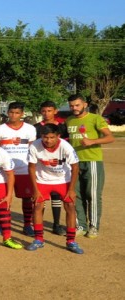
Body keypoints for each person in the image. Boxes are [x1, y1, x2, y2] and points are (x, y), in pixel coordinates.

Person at [26, 124, 83, 254]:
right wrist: (35, 190)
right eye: (45, 137)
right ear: (41, 136)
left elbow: (75, 167)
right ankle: (38, 239)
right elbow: (31, 168)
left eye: (52, 137)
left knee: (70, 206)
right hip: (42, 180)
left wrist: (72, 189)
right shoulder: (35, 145)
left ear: (58, 136)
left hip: (63, 180)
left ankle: (71, 241)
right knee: (37, 206)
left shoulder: (65, 146)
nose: (48, 140)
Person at [66, 94, 114, 238]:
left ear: (84, 104)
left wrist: (92, 141)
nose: (74, 108)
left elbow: (110, 137)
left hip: (92, 161)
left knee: (92, 195)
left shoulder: (95, 118)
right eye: (71, 105)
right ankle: (81, 225)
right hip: (74, 163)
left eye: (77, 105)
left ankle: (93, 227)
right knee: (76, 195)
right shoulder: (69, 120)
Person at [0, 102, 37, 237]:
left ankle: (27, 224)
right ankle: (2, 223)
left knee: (27, 198)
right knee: (4, 198)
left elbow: (33, 149)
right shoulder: (0, 129)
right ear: (7, 113)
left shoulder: (30, 129)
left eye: (17, 113)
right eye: (11, 112)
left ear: (22, 114)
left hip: (24, 169)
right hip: (5, 171)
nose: (14, 115)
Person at [33, 101, 69, 235]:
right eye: (44, 111)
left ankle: (56, 224)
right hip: (42, 165)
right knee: (41, 197)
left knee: (56, 196)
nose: (46, 113)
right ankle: (38, 225)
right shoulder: (36, 127)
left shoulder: (62, 126)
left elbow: (66, 145)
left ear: (55, 111)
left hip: (58, 164)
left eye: (49, 110)